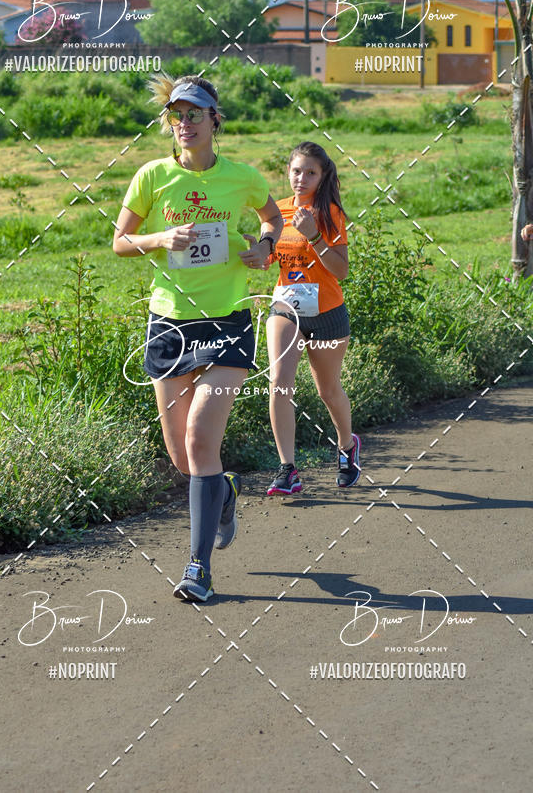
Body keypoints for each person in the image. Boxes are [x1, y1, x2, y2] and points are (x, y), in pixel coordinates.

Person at [113, 73, 283, 602]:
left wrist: (265, 247)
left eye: (194, 115)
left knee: (199, 441)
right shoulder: (152, 176)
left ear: (215, 120)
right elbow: (120, 242)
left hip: (228, 321)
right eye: (176, 116)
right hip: (168, 324)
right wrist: (161, 237)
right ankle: (225, 493)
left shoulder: (242, 177)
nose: (184, 124)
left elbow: (273, 218)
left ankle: (198, 569)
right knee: (184, 461)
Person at [265, 141, 360, 495]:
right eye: (295, 171)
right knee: (279, 383)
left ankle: (347, 448)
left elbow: (341, 269)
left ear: (322, 177)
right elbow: (273, 258)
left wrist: (315, 237)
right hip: (286, 308)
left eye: (310, 172)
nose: (301, 178)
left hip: (326, 313)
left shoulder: (330, 213)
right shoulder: (277, 212)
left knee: (328, 390)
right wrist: (259, 252)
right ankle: (287, 469)